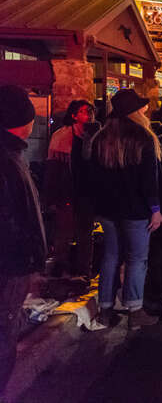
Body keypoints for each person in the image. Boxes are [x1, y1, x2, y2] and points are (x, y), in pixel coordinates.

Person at [89, 89, 162, 330]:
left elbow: (93, 178)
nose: (145, 111)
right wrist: (155, 209)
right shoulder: (143, 137)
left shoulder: (101, 138)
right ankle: (135, 310)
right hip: (136, 209)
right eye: (141, 107)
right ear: (133, 112)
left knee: (110, 256)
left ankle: (105, 310)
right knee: (137, 259)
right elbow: (148, 179)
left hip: (108, 209)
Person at [0, 86, 47, 390]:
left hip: (13, 262)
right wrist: (25, 257)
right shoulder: (7, 160)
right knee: (3, 329)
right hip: (8, 265)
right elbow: (10, 218)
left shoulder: (13, 154)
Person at [45, 100, 98, 277]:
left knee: (86, 234)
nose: (89, 115)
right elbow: (53, 168)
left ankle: (84, 270)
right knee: (64, 233)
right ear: (74, 115)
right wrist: (52, 196)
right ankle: (61, 269)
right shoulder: (61, 136)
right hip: (67, 190)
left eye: (91, 111)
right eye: (84, 111)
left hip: (87, 193)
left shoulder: (95, 137)